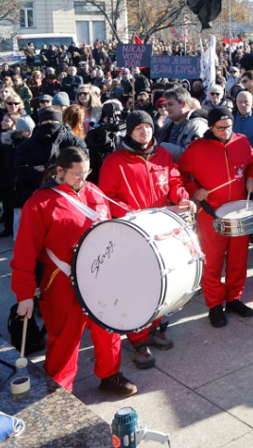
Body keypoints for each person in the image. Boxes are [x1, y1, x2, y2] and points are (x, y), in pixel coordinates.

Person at [11, 146, 137, 396]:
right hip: (61, 277)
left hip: (101, 275)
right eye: (78, 174)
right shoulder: (39, 202)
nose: (84, 178)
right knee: (65, 337)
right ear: (60, 171)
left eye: (87, 172)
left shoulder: (94, 191)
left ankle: (109, 374)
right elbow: (24, 251)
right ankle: (60, 389)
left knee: (107, 328)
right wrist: (24, 293)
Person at [98, 111, 194, 367]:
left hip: (162, 230)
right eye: (139, 128)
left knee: (162, 282)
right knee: (137, 287)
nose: (145, 132)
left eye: (148, 127)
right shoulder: (114, 161)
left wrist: (182, 197)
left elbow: (174, 181)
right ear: (129, 132)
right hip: (133, 233)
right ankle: (138, 340)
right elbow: (106, 199)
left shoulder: (162, 155)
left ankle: (156, 327)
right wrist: (134, 214)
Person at [154, 86, 208, 161]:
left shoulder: (197, 125)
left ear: (183, 104)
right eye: (166, 105)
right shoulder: (168, 121)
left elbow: (193, 155)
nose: (166, 108)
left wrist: (162, 147)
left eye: (170, 104)